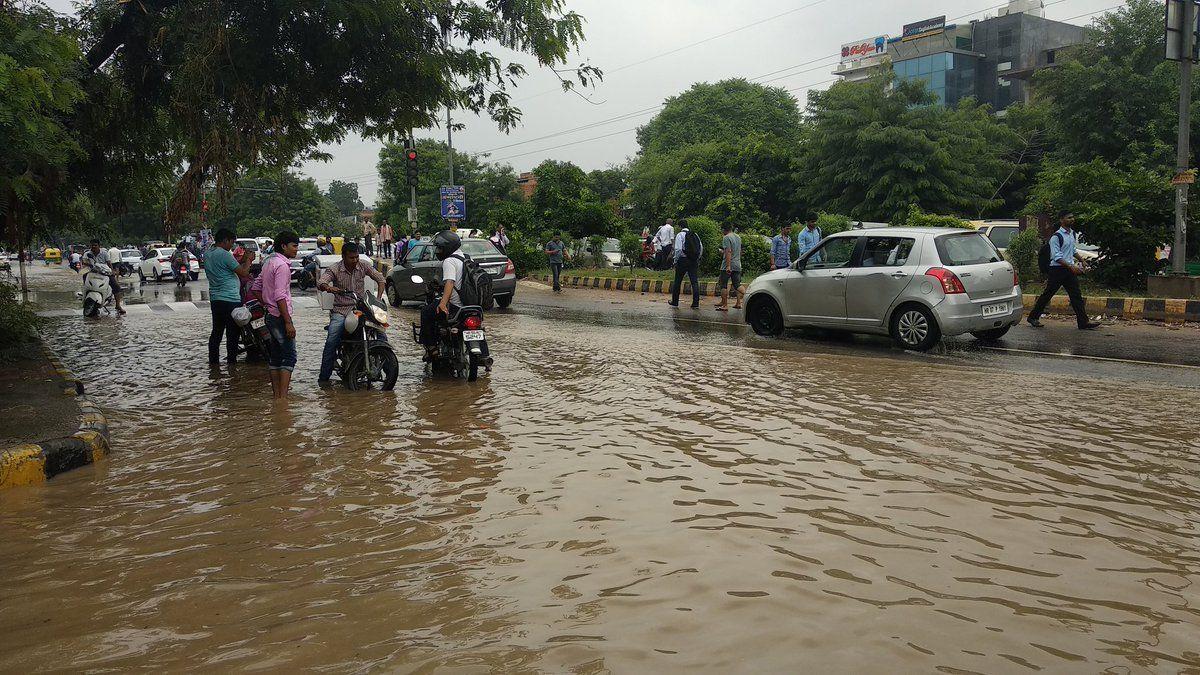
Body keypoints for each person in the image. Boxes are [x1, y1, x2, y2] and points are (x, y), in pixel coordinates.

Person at [316, 242, 388, 384]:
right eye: (351, 258)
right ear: (344, 257)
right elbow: (321, 282)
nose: (355, 261)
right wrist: (329, 288)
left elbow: (380, 279)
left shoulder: (363, 265)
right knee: (332, 339)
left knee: (382, 334)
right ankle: (323, 378)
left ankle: (388, 369)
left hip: (362, 308)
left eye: (356, 257)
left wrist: (378, 300)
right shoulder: (334, 269)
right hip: (341, 310)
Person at [1027, 212, 1101, 331]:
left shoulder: (1071, 234)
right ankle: (1033, 317)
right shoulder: (1056, 237)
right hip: (1057, 269)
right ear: (1062, 220)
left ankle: (1083, 322)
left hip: (1068, 269)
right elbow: (1056, 256)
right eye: (1069, 218)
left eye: (1072, 217)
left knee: (1076, 295)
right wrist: (1071, 267)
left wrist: (1082, 260)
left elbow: (1072, 250)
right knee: (1048, 294)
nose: (1072, 219)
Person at [205, 228, 255, 365]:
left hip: (216, 299)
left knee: (217, 332)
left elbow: (227, 268)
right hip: (231, 299)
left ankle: (213, 364)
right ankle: (232, 365)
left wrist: (243, 260)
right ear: (225, 240)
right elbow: (244, 273)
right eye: (231, 242)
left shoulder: (208, 253)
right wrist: (249, 260)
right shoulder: (225, 254)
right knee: (232, 333)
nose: (231, 246)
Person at [261, 231, 300, 399]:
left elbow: (256, 287)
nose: (296, 249)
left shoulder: (268, 262)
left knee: (276, 357)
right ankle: (283, 399)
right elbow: (280, 296)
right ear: (284, 246)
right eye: (294, 246)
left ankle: (277, 397)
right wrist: (288, 322)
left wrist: (267, 304)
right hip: (279, 316)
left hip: (270, 315)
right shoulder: (282, 266)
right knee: (289, 356)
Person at [420, 230, 467, 360]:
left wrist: (443, 303)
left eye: (440, 248)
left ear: (448, 247)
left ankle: (432, 348)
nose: (438, 251)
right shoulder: (467, 258)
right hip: (469, 305)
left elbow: (450, 282)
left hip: (454, 305)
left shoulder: (449, 261)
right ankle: (485, 357)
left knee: (426, 312)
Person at [81, 239, 125, 315]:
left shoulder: (104, 253)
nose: (93, 247)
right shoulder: (87, 253)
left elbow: (109, 263)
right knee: (84, 276)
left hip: (104, 273)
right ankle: (84, 295)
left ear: (99, 246)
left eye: (95, 245)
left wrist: (112, 272)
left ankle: (118, 305)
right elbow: (84, 262)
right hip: (92, 273)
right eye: (92, 245)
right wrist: (88, 264)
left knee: (116, 286)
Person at [668, 219, 702, 309]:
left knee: (677, 281)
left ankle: (675, 302)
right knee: (694, 282)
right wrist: (697, 258)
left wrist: (675, 260)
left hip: (682, 260)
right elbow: (700, 247)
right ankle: (695, 303)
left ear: (680, 226)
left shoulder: (680, 235)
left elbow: (678, 249)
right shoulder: (695, 234)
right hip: (693, 261)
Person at [714, 223, 743, 311]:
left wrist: (728, 265)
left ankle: (725, 305)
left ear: (724, 229)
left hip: (728, 264)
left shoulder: (726, 237)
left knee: (724, 285)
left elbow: (728, 251)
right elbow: (738, 251)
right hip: (737, 263)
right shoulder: (738, 237)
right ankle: (738, 303)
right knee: (737, 284)